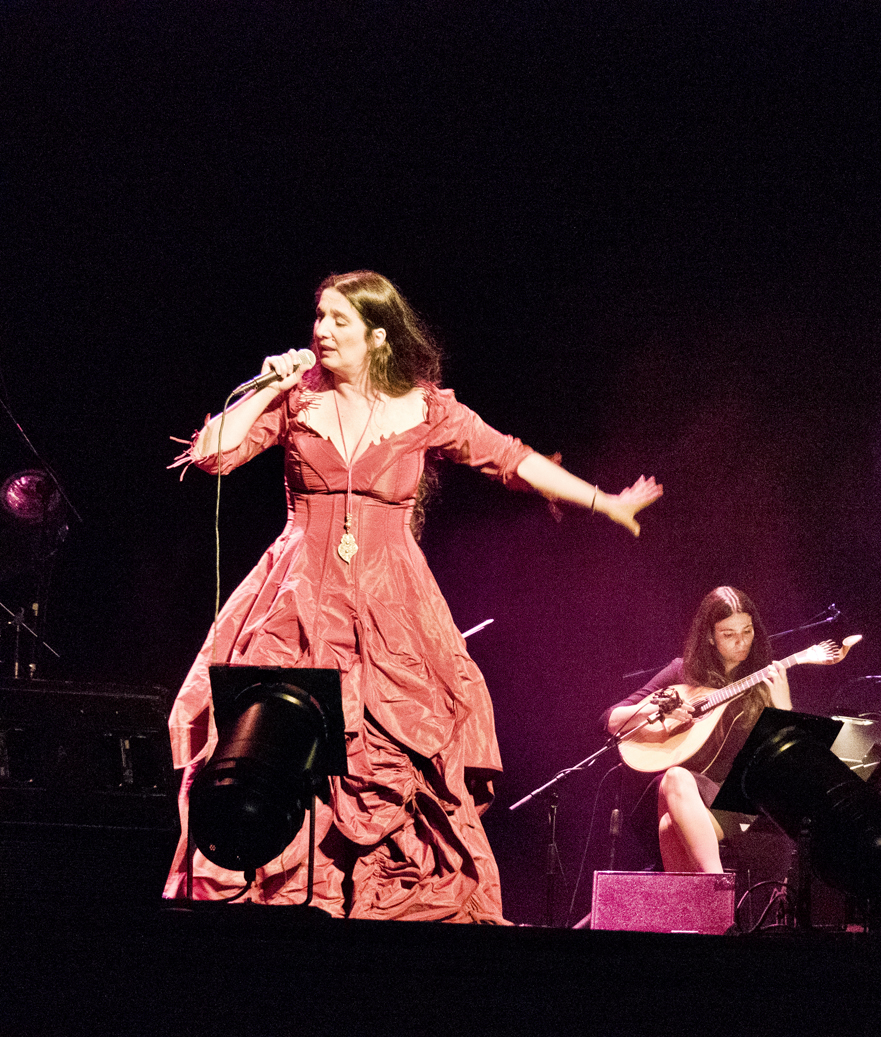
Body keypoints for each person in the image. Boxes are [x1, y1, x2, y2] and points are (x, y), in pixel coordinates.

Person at [165, 270, 662, 921]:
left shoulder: (425, 408)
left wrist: (605, 501)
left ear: (378, 335)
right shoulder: (295, 400)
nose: (321, 331)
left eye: (339, 320)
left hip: (391, 602)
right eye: (319, 317)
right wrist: (268, 387)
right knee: (279, 737)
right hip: (296, 595)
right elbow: (212, 453)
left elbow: (510, 458)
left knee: (396, 745)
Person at [603, 587, 789, 874]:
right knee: (675, 783)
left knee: (670, 814)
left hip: (739, 801)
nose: (741, 642)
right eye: (728, 634)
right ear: (710, 637)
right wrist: (658, 710)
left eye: (747, 631)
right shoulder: (682, 673)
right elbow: (611, 719)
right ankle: (713, 891)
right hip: (685, 796)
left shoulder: (765, 682)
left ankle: (711, 890)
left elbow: (784, 763)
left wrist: (784, 708)